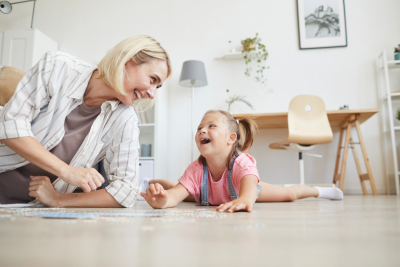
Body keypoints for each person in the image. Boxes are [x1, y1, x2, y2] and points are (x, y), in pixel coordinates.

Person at [0, 35, 171, 208]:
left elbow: (126, 191)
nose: (152, 94)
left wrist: (58, 199)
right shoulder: (57, 67)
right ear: (129, 60)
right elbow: (9, 125)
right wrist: (67, 171)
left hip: (30, 210)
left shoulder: (125, 119)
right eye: (153, 80)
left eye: (157, 87)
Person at [140, 110, 343, 213]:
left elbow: (249, 189)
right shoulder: (195, 169)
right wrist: (163, 201)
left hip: (246, 193)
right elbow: (175, 197)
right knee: (178, 191)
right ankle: (150, 185)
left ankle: (320, 190)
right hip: (208, 195)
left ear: (231, 138)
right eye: (200, 127)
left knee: (289, 194)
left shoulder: (242, 162)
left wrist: (245, 200)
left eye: (211, 126)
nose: (202, 130)